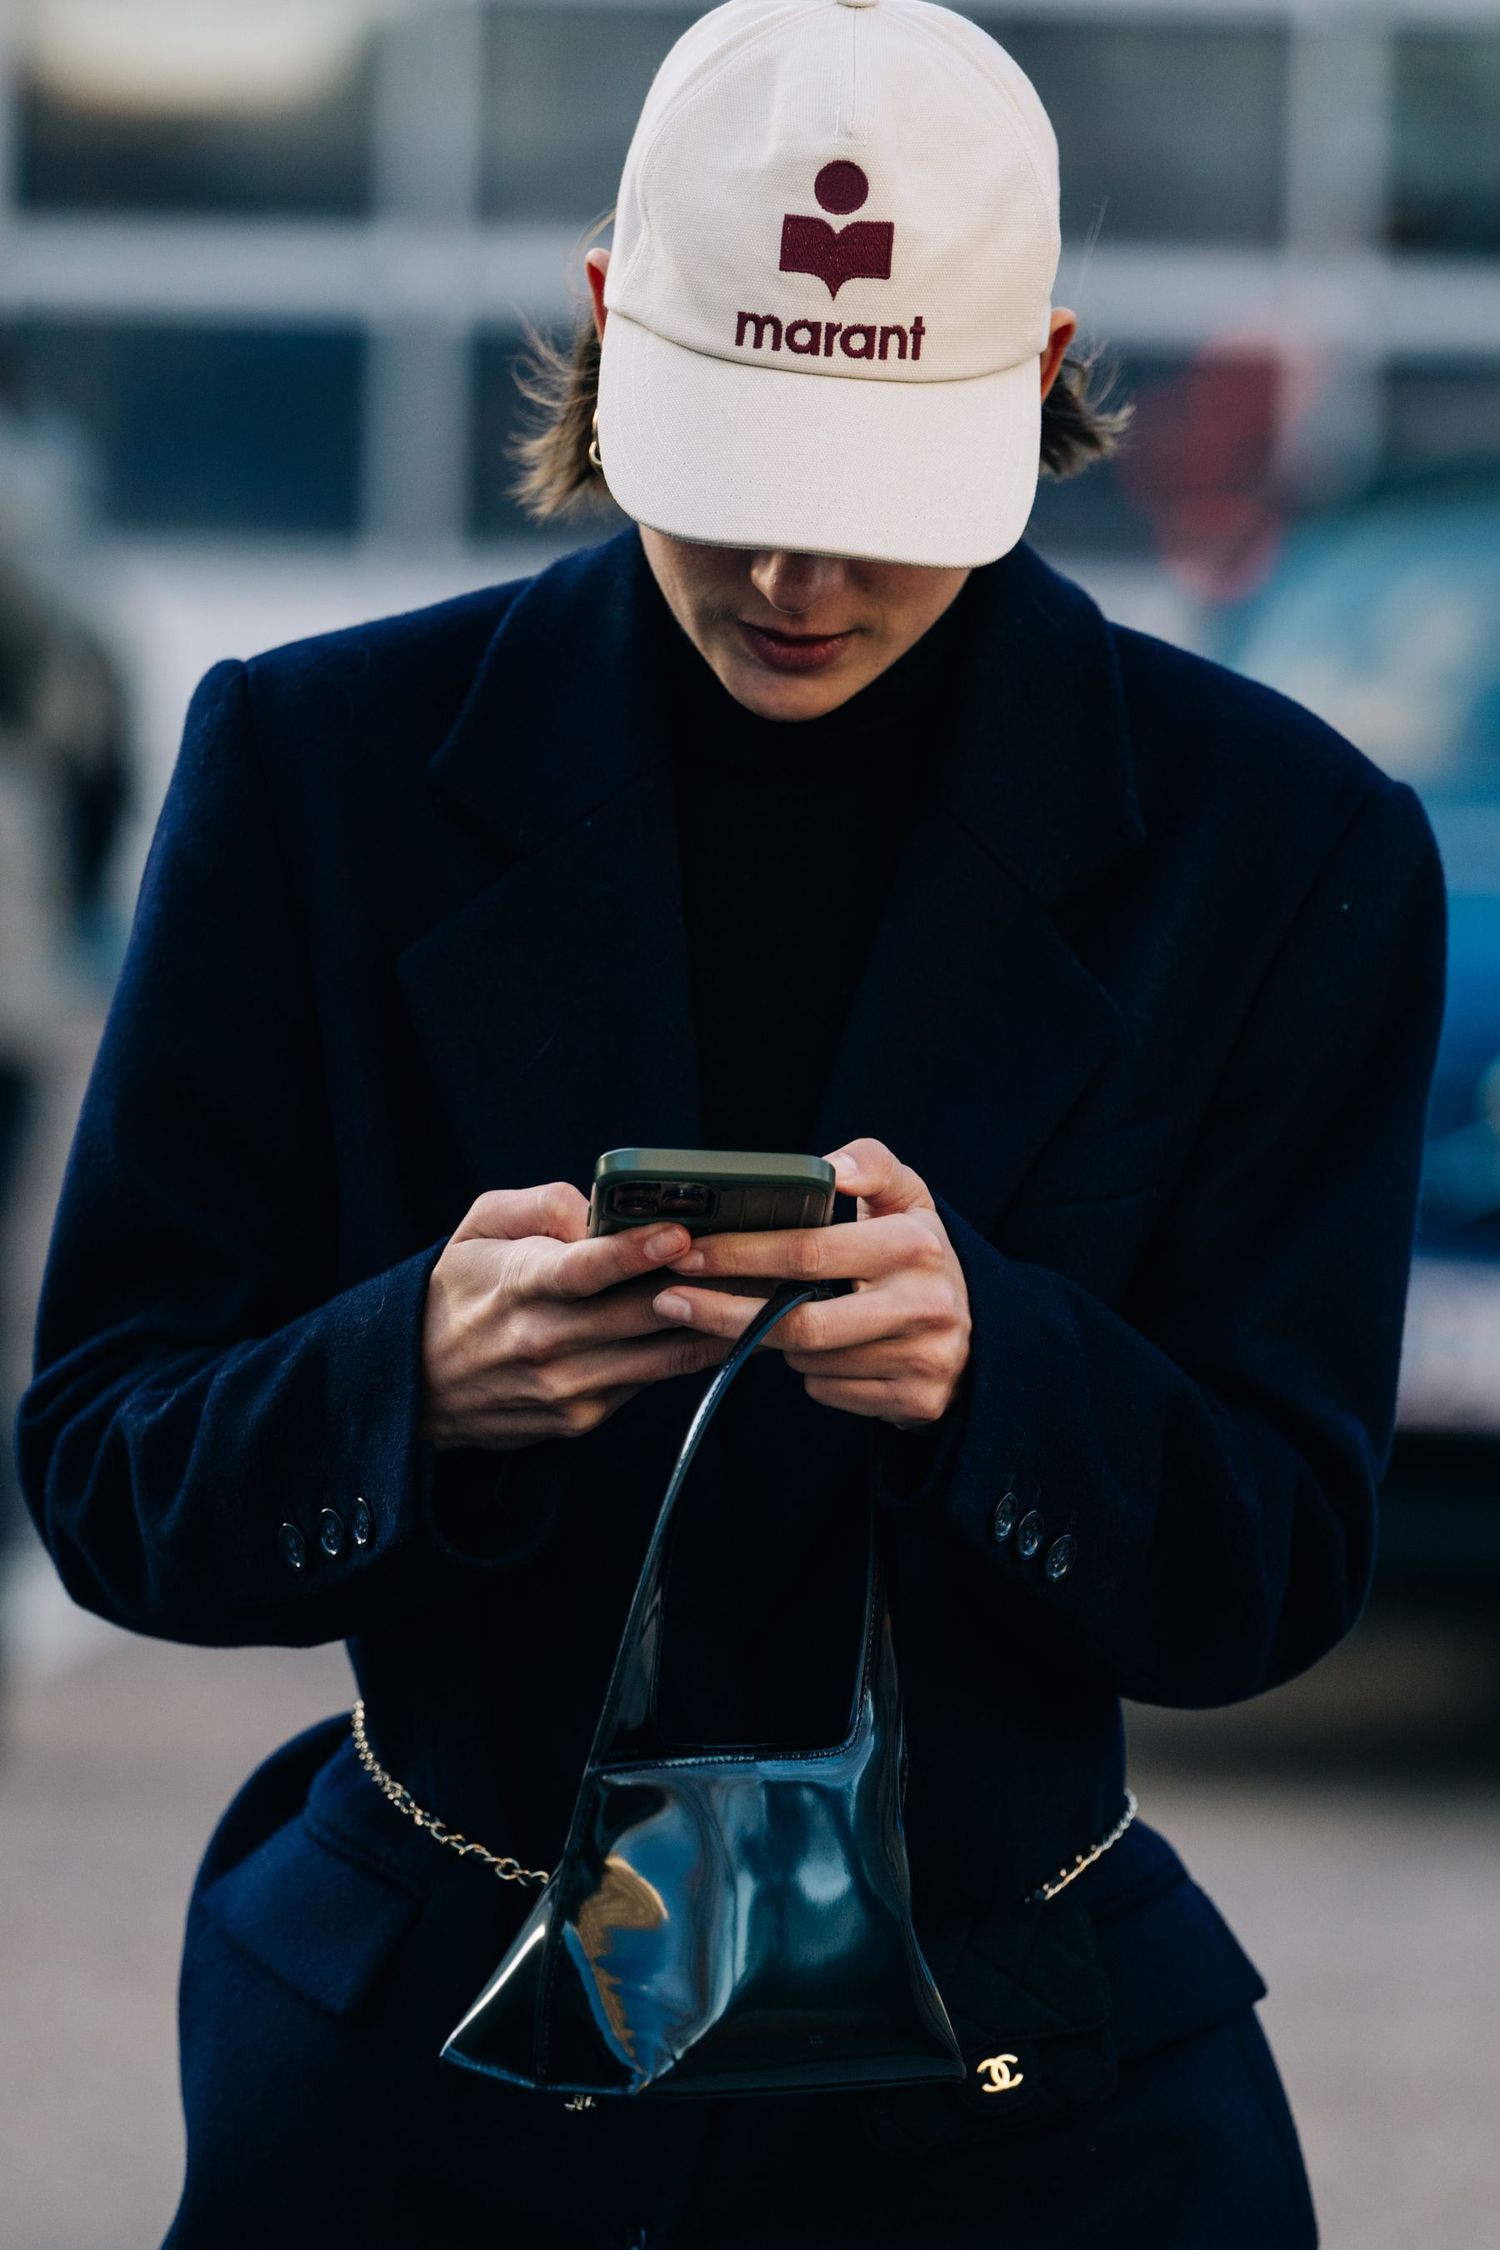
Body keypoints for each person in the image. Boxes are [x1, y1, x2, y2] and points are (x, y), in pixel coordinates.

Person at [14, 4, 1446, 2246]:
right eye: (734, 472)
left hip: (1013, 2100)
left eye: (869, 500)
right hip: (438, 2080)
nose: (795, 575)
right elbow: (105, 1466)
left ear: (1041, 372)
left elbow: (1275, 1561)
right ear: (602, 328)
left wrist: (992, 1383)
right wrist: (418, 1377)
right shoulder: (316, 774)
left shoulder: (1280, 852)